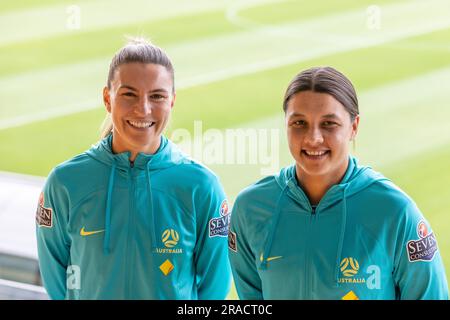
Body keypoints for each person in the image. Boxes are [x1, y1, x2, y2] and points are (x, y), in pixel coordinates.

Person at [228, 66, 448, 300]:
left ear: (354, 127)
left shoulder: (395, 212)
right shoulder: (250, 208)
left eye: (328, 124)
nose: (313, 138)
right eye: (299, 123)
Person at [36, 38, 231, 300]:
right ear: (108, 98)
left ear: (171, 101)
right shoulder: (65, 182)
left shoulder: (201, 186)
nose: (144, 108)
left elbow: (214, 288)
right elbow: (56, 280)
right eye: (129, 94)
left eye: (157, 96)